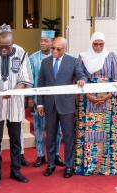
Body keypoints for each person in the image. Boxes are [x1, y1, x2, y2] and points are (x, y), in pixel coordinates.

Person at [0, 24, 33, 187]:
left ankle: (16, 171)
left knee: (16, 140)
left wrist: (14, 91)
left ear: (12, 42)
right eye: (1, 46)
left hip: (14, 104)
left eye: (7, 47)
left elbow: (26, 77)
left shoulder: (21, 52)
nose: (4, 50)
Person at [74, 32, 117, 176]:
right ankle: (90, 165)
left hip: (108, 100)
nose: (98, 47)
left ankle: (107, 166)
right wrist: (89, 95)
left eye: (100, 44)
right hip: (88, 100)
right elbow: (79, 77)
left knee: (108, 133)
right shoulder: (82, 57)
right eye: (95, 44)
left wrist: (108, 95)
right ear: (91, 44)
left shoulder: (111, 56)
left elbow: (116, 79)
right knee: (90, 134)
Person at [37, 37, 87, 178]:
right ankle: (51, 164)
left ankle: (69, 166)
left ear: (65, 49)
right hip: (50, 105)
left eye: (58, 49)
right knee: (50, 136)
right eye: (53, 48)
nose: (54, 51)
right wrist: (40, 103)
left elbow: (81, 75)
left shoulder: (73, 61)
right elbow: (40, 84)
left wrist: (81, 80)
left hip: (66, 105)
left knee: (69, 136)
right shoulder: (45, 62)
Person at [28, 30, 64, 168]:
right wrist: (30, 98)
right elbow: (30, 80)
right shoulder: (32, 58)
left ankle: (55, 155)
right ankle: (40, 155)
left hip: (56, 100)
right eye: (41, 40)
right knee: (39, 127)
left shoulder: (59, 57)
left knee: (57, 129)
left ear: (52, 42)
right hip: (39, 100)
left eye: (46, 40)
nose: (43, 43)